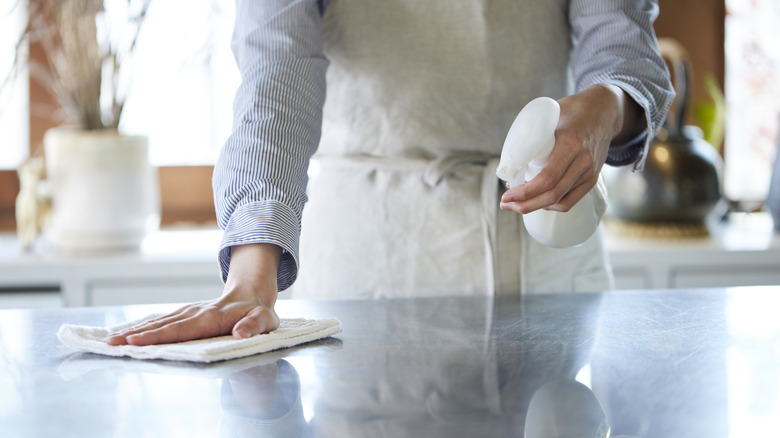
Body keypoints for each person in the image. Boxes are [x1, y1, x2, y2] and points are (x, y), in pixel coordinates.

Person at [108, 0, 674, 346]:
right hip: (369, 263)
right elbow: (276, 77)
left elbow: (622, 44)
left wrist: (609, 103)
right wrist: (252, 274)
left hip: (545, 252)